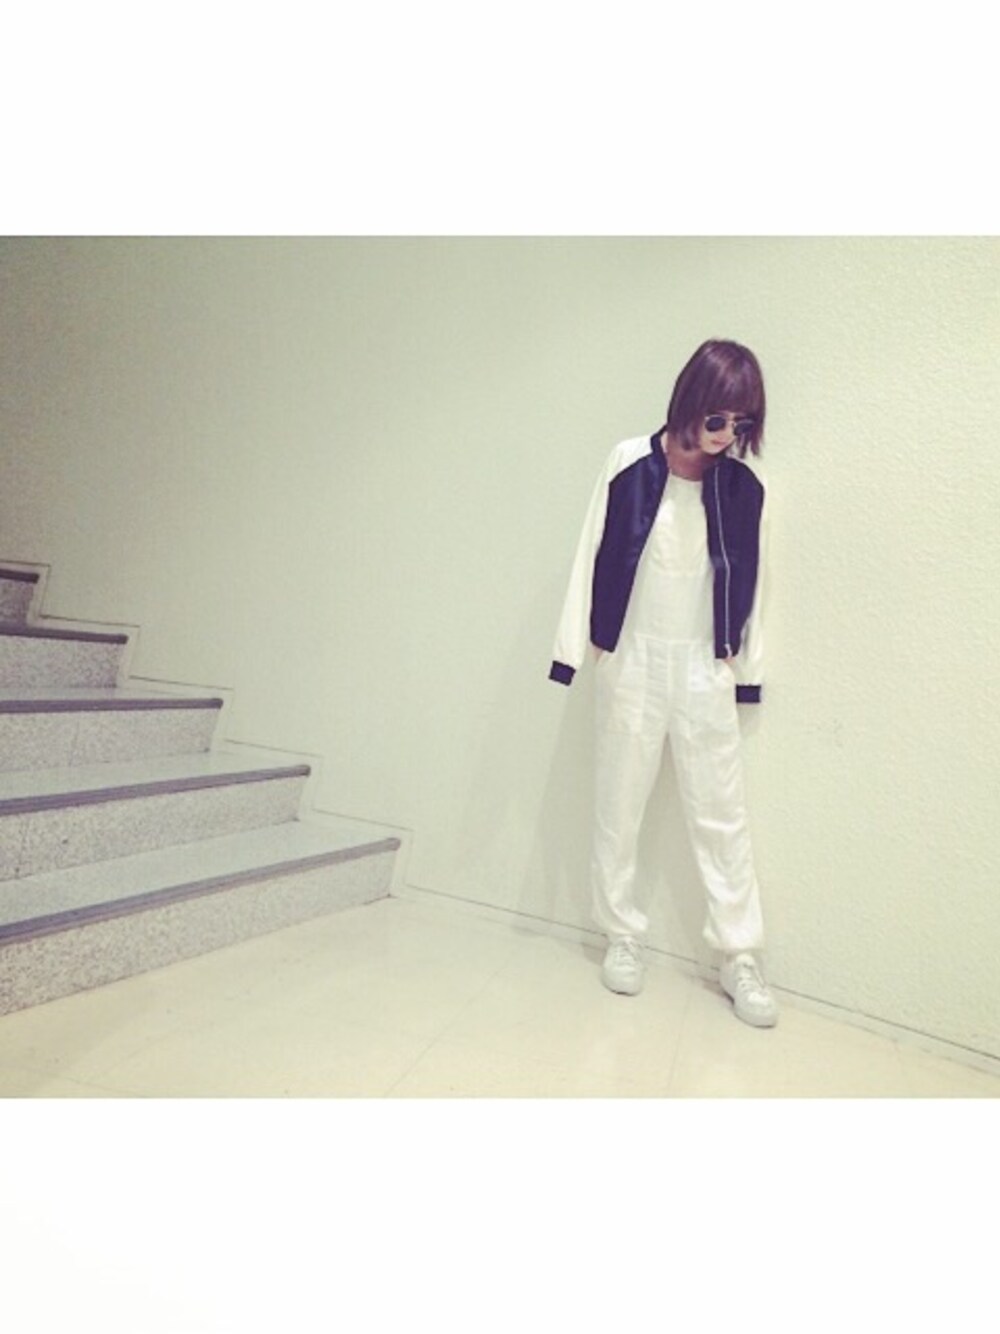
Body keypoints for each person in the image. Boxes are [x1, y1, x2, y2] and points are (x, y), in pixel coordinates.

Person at [549, 339, 777, 1027]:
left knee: (722, 814)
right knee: (619, 804)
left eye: (742, 422)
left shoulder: (746, 488)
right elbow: (587, 552)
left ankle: (738, 953)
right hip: (631, 660)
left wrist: (746, 673)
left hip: (705, 664)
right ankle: (621, 934)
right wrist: (573, 651)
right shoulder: (628, 462)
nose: (727, 433)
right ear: (691, 401)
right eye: (719, 416)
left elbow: (760, 585)